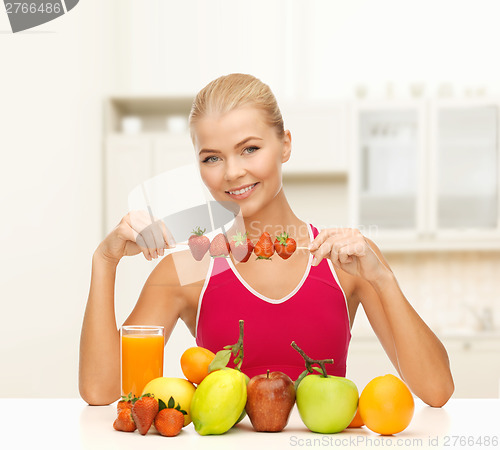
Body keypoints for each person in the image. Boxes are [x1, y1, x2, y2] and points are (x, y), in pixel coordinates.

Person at [79, 73, 454, 407]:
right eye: (212, 158)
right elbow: (101, 391)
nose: (233, 172)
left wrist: (383, 279)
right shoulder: (187, 269)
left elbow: (436, 391)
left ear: (285, 145)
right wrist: (104, 261)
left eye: (250, 149)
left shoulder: (347, 260)